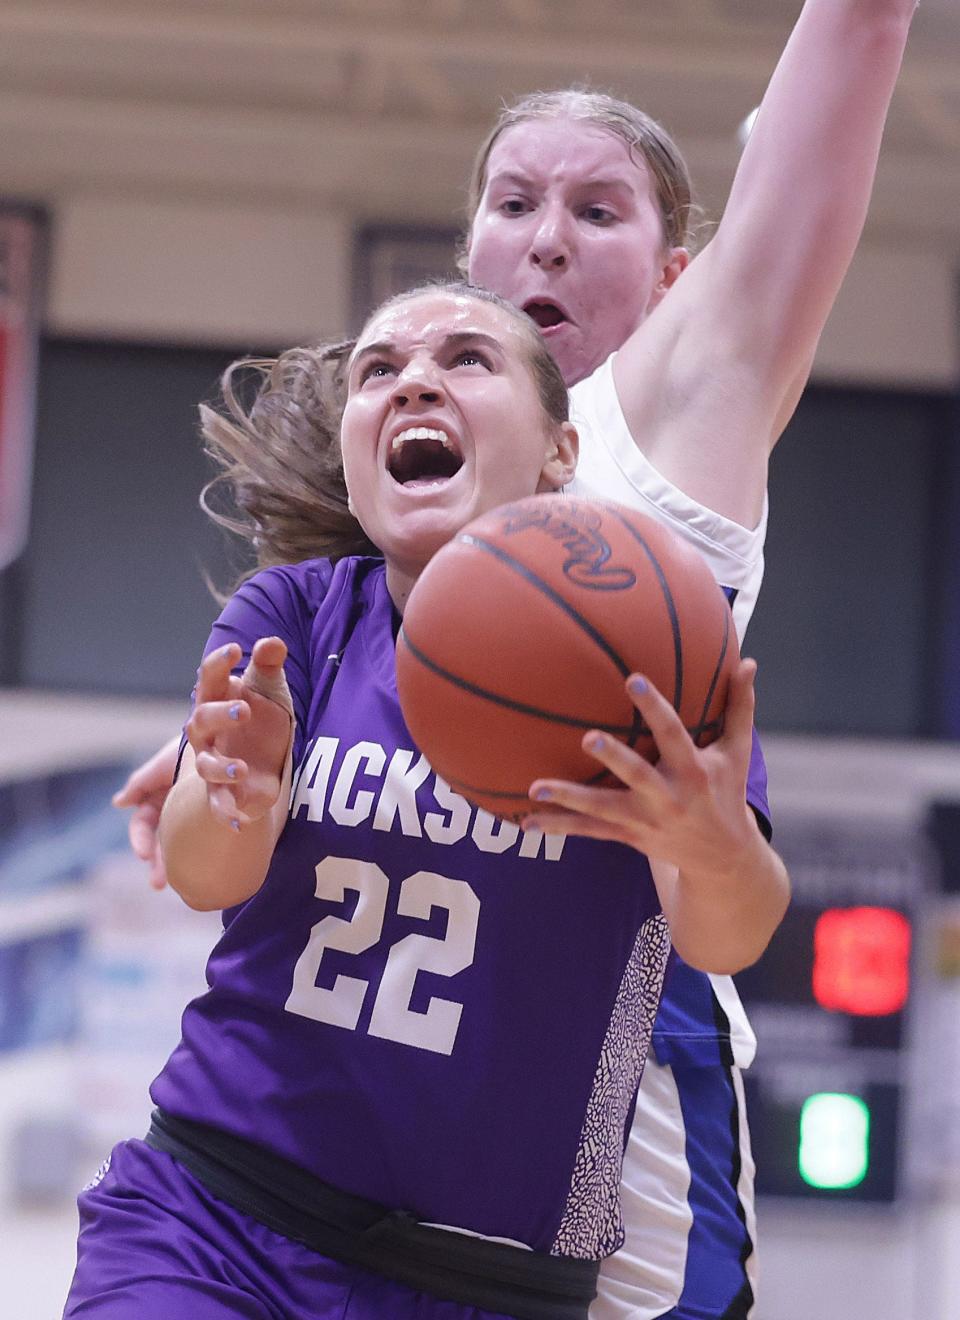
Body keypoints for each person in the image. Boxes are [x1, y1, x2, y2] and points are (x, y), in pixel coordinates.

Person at [112, 2, 917, 1314]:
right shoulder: (401, 483)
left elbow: (821, 117)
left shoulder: (658, 425)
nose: (545, 234)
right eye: (513, 202)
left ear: (679, 277)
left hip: (617, 1047)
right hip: (299, 1143)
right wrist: (232, 769)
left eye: (599, 212)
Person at [65, 282, 788, 1320]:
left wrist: (711, 846)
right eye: (377, 371)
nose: (413, 382)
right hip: (216, 1218)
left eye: (465, 360)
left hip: (487, 1278)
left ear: (559, 451)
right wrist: (241, 792)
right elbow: (198, 873)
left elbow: (733, 933)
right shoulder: (294, 617)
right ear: (358, 455)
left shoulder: (659, 637)